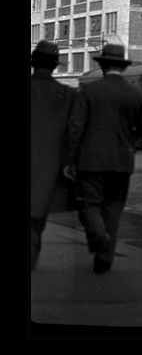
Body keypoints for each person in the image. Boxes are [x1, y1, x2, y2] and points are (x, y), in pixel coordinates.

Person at [64, 43, 142, 274]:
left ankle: (98, 236)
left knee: (88, 205)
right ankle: (104, 260)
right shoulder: (135, 94)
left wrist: (70, 160)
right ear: (122, 68)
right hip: (122, 163)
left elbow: (76, 127)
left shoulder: (89, 92)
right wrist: (130, 138)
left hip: (90, 162)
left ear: (103, 67)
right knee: (113, 211)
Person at [31, 40, 77, 271]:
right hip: (50, 163)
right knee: (39, 207)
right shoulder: (67, 95)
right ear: (54, 67)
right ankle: (33, 239)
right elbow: (73, 132)